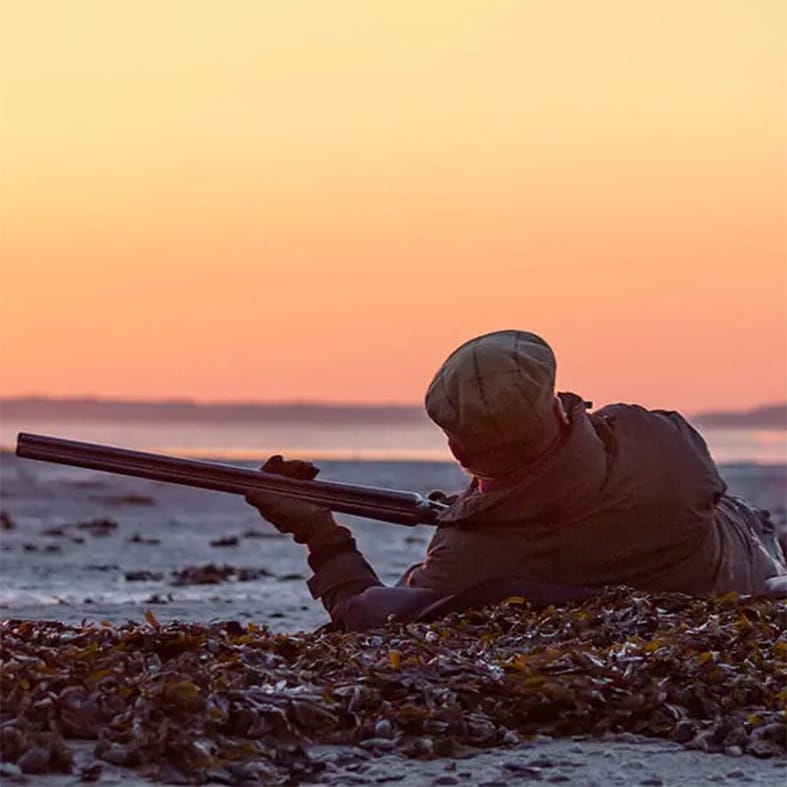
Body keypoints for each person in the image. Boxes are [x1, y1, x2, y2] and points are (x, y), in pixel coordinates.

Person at [247, 330, 787, 631]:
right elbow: (592, 443)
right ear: (555, 404)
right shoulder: (662, 446)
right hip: (749, 560)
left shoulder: (466, 562)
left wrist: (319, 531)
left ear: (458, 449)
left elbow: (363, 609)